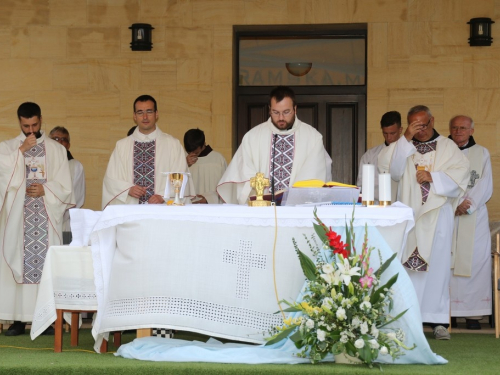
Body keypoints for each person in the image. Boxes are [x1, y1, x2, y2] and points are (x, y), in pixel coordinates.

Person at [378, 105, 469, 340]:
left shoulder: (448, 146)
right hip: (409, 215)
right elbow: (393, 170)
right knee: (409, 268)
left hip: (438, 215)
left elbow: (462, 172)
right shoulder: (404, 147)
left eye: (423, 124)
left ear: (432, 120)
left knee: (437, 267)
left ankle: (438, 322)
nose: (420, 129)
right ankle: (408, 319)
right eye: (414, 125)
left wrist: (434, 177)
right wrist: (405, 137)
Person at [0, 102, 74, 336]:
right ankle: (19, 320)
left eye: (34, 125)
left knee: (45, 268)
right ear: (19, 122)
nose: (31, 131)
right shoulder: (9, 147)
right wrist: (21, 150)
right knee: (17, 264)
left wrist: (46, 191)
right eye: (25, 126)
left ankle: (48, 319)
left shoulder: (56, 149)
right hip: (18, 220)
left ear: (41, 119)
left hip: (44, 216)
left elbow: (65, 186)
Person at [217, 86, 331, 204]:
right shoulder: (253, 137)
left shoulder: (313, 137)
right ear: (269, 109)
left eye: (286, 112)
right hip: (262, 210)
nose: (281, 118)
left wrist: (290, 198)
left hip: (296, 210)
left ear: (295, 109)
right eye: (275, 112)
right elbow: (243, 174)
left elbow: (314, 175)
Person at [102, 95, 194, 208]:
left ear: (157, 114)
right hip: (131, 211)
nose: (145, 117)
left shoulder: (172, 144)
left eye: (149, 112)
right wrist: (128, 189)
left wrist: (163, 196)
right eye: (140, 112)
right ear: (134, 116)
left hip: (163, 211)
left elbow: (181, 175)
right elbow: (111, 179)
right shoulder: (122, 146)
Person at [448, 115, 492, 330]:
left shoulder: (481, 153)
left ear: (471, 131)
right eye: (455, 128)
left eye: (463, 128)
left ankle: (473, 315)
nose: (458, 131)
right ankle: (449, 313)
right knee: (448, 262)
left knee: (475, 262)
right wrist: (453, 204)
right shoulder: (442, 151)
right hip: (447, 213)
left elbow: (485, 183)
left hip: (473, 216)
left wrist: (467, 204)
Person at [49, 126, 86, 243]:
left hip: (65, 224)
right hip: (43, 220)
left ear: (68, 145)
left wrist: (57, 217)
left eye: (63, 139)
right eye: (55, 139)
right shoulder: (43, 164)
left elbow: (77, 198)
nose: (60, 142)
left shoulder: (75, 166)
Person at [356, 111, 402, 201]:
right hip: (375, 206)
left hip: (401, 205)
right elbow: (361, 185)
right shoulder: (370, 155)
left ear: (400, 130)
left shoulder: (409, 152)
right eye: (385, 133)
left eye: (392, 133)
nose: (389, 137)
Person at [184, 128, 227, 204]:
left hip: (212, 208)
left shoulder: (218, 159)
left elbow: (226, 188)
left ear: (203, 144)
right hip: (190, 208)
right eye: (189, 152)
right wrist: (184, 164)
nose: (192, 154)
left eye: (196, 152)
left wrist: (209, 199)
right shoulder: (183, 159)